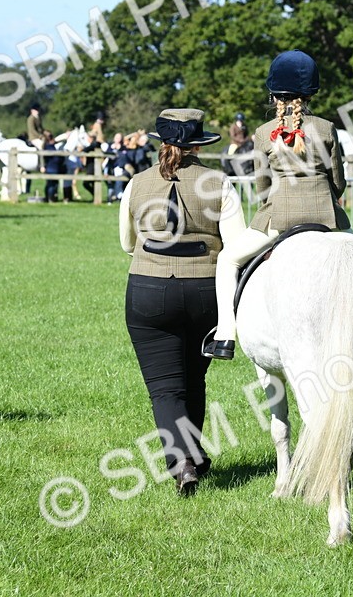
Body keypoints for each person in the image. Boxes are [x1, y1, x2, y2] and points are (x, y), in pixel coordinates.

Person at [120, 108, 245, 494]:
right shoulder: (219, 182)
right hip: (205, 291)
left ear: (162, 142)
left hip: (148, 289)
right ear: (198, 145)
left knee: (165, 387)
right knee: (194, 379)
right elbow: (236, 246)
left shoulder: (136, 183)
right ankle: (191, 455)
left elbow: (126, 243)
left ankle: (182, 462)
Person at [207, 50, 350, 360]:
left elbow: (263, 187)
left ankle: (225, 335)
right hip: (327, 217)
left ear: (273, 96)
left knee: (228, 260)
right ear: (311, 93)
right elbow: (338, 182)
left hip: (279, 217)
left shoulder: (262, 134)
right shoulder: (327, 128)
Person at [40, 130, 64, 202]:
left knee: (50, 184)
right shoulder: (49, 147)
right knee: (52, 184)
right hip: (52, 168)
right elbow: (55, 157)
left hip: (51, 167)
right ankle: (50, 198)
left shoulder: (47, 146)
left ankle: (49, 197)